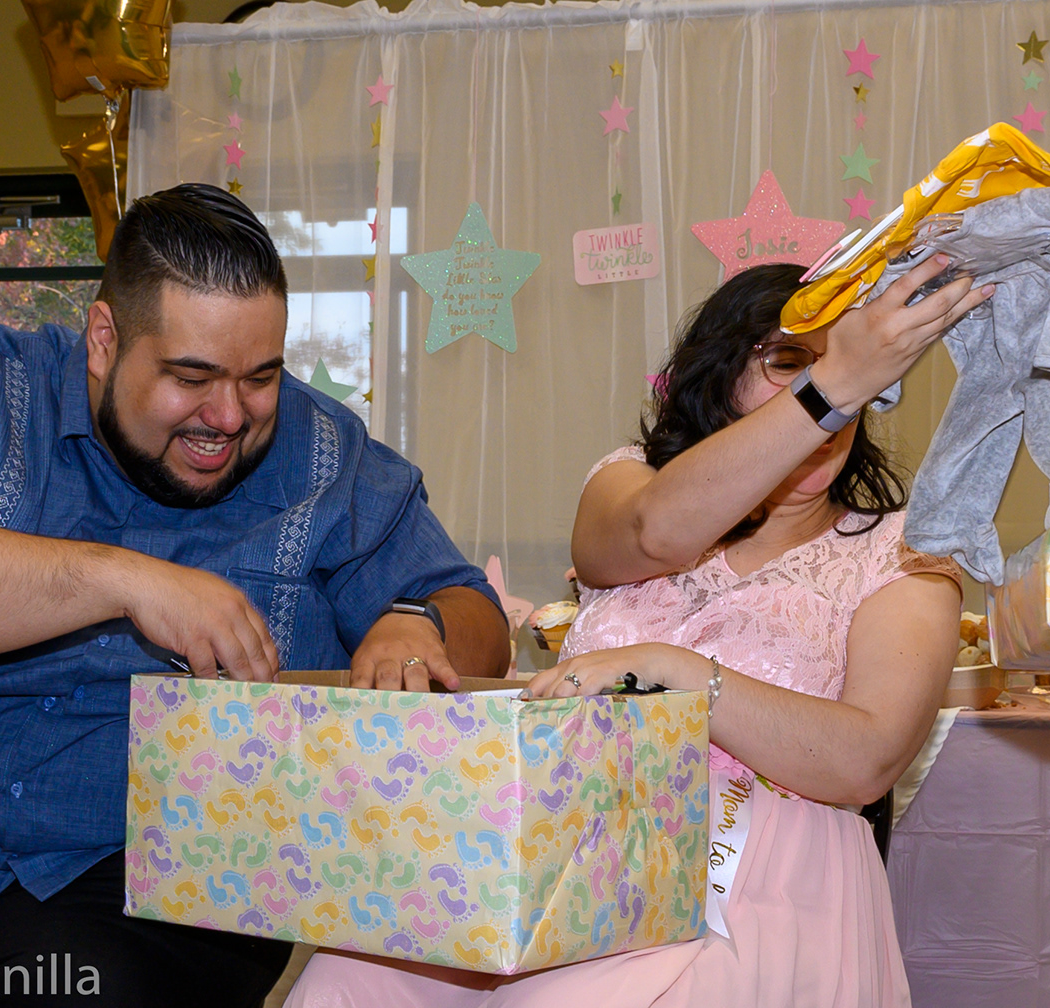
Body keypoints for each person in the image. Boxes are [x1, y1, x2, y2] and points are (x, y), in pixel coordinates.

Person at [0, 184, 511, 1006]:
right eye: (191, 376)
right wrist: (126, 580)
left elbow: (474, 618)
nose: (228, 416)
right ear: (103, 339)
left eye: (261, 378)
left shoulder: (325, 457)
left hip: (145, 887)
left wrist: (416, 623)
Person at [285, 255, 991, 1007]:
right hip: (554, 849)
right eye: (790, 362)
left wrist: (676, 672)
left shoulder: (905, 550)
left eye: (845, 373)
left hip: (751, 873)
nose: (826, 402)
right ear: (720, 377)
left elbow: (867, 760)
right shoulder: (630, 482)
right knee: (341, 983)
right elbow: (655, 533)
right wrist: (828, 388)